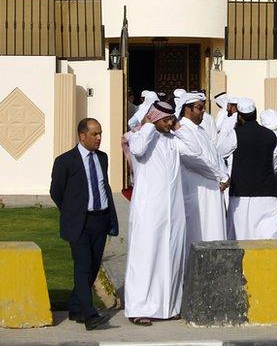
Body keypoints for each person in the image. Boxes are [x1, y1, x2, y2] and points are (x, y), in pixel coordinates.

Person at [124, 100, 201, 326]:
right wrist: (149, 124)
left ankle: (168, 307)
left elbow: (195, 150)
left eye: (171, 119)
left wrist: (177, 128)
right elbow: (137, 150)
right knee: (147, 257)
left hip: (173, 212)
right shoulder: (140, 136)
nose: (169, 123)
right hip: (149, 211)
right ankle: (139, 307)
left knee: (171, 257)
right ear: (155, 118)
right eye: (166, 120)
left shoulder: (172, 140)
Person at [49, 118, 118, 331]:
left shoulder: (102, 158)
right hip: (79, 222)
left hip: (100, 219)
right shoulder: (65, 161)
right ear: (82, 136)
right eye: (94, 134)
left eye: (100, 134)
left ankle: (76, 307)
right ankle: (89, 314)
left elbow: (103, 186)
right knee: (82, 266)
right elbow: (56, 191)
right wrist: (72, 212)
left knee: (93, 266)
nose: (99, 138)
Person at [174, 92, 229, 245]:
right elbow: (195, 160)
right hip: (198, 192)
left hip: (214, 189)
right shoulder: (182, 131)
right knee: (200, 235)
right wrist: (221, 176)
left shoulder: (200, 130)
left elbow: (215, 156)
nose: (203, 112)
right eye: (199, 108)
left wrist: (225, 175)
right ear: (187, 109)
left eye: (203, 108)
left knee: (215, 233)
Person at [226, 98, 277, 240]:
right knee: (268, 235)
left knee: (243, 235)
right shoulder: (271, 135)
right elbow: (274, 164)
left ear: (239, 116)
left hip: (241, 193)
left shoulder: (235, 134)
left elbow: (220, 152)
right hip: (267, 192)